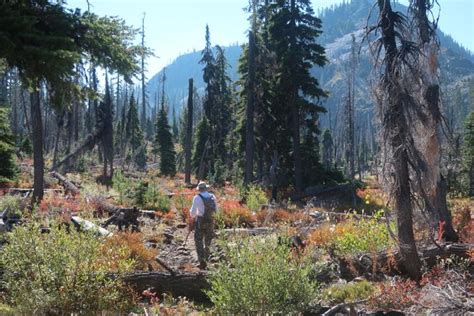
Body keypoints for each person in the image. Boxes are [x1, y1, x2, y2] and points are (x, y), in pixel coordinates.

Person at [189, 181, 217, 269]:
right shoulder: (212, 197)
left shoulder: (197, 198)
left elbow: (192, 214)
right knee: (208, 240)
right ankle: (207, 259)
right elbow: (217, 210)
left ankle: (201, 261)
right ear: (206, 188)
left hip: (201, 221)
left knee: (198, 240)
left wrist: (195, 214)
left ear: (199, 189)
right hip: (211, 221)